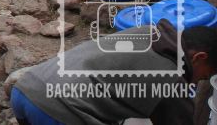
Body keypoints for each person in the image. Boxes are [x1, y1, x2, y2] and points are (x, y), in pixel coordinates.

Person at [12, 22, 217, 124]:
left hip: (26, 88)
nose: (198, 82)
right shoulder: (172, 77)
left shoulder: (149, 32)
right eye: (204, 76)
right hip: (57, 111)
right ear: (199, 57)